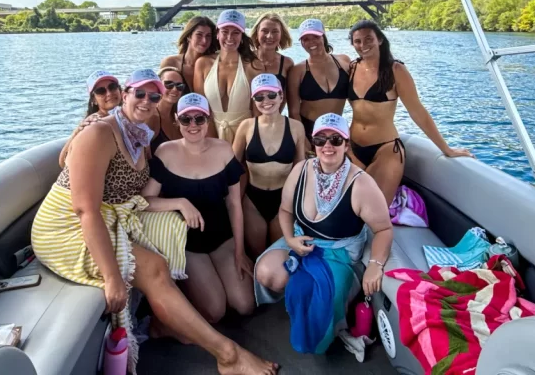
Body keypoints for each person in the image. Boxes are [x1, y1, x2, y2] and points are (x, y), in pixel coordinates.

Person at [33, 70, 277, 375]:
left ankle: (171, 324)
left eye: (154, 96)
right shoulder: (98, 133)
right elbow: (85, 211)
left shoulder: (138, 135)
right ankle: (228, 355)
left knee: (224, 293)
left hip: (112, 216)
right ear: (125, 95)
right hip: (64, 227)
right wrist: (111, 277)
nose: (147, 101)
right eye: (140, 94)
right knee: (153, 269)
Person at [254, 113, 393, 353]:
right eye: (320, 139)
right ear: (313, 143)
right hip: (300, 241)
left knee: (313, 300)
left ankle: (327, 308)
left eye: (336, 140)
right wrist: (289, 239)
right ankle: (304, 304)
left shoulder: (361, 184)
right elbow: (286, 210)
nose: (327, 145)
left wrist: (375, 264)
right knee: (268, 273)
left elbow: (383, 229)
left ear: (346, 144)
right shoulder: (301, 170)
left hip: (337, 254)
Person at [142, 92, 255, 323]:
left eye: (199, 118)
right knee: (215, 311)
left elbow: (234, 204)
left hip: (222, 238)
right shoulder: (165, 152)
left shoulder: (223, 150)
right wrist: (180, 203)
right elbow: (144, 202)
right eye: (186, 119)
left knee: (244, 305)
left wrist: (240, 250)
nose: (193, 125)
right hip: (188, 244)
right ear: (177, 121)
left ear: (208, 119)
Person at [347, 20, 473, 203]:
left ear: (380, 39)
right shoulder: (351, 68)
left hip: (385, 150)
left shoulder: (395, 70)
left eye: (368, 39)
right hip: (353, 148)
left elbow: (417, 112)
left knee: (376, 207)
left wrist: (446, 149)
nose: (363, 45)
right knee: (350, 207)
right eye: (357, 41)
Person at [233, 74, 305, 258]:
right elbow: (232, 166)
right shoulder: (246, 126)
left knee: (277, 255)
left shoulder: (296, 127)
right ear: (254, 100)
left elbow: (301, 169)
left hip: (283, 199)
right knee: (256, 254)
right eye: (259, 97)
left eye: (271, 95)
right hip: (252, 201)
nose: (266, 101)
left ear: (281, 96)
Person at [194, 9, 263, 144]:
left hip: (245, 136)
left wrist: (249, 145)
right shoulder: (203, 64)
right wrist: (213, 143)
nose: (230, 38)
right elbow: (201, 109)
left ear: (242, 36)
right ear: (217, 34)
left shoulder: (253, 66)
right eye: (225, 32)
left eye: (236, 33)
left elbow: (257, 112)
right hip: (209, 134)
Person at [287, 19, 351, 144]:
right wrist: (303, 140)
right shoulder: (297, 71)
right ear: (301, 43)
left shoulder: (344, 62)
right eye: (305, 39)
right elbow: (294, 112)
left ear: (323, 36)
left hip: (336, 128)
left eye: (315, 37)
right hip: (309, 130)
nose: (311, 42)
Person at [59, 70, 121, 168]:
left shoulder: (125, 117)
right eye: (101, 91)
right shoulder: (94, 123)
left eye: (112, 87)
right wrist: (76, 133)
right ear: (94, 100)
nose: (109, 93)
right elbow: (63, 162)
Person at [160, 16, 219, 92]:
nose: (204, 40)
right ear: (189, 36)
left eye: (208, 36)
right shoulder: (170, 63)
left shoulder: (213, 65)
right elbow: (160, 94)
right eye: (199, 35)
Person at [250, 13, 294, 109]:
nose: (269, 36)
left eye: (275, 31)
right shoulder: (246, 59)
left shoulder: (287, 64)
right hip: (247, 120)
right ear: (257, 33)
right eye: (264, 31)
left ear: (281, 35)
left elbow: (287, 98)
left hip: (273, 120)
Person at [148, 67, 186, 154]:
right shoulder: (152, 118)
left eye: (179, 86)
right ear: (158, 86)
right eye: (169, 84)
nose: (175, 89)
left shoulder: (177, 118)